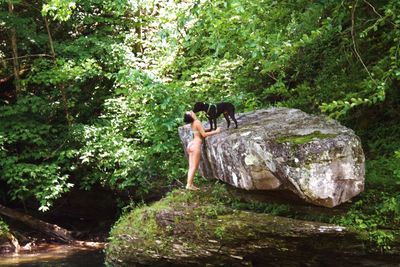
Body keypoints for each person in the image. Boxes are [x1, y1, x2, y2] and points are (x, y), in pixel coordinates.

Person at [183, 111, 221, 190]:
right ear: (191, 116)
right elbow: (203, 135)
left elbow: (199, 132)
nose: (192, 112)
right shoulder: (196, 121)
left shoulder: (192, 123)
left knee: (191, 166)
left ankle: (189, 184)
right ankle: (189, 185)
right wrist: (216, 131)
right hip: (196, 145)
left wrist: (208, 130)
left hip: (191, 144)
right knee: (194, 167)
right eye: (190, 112)